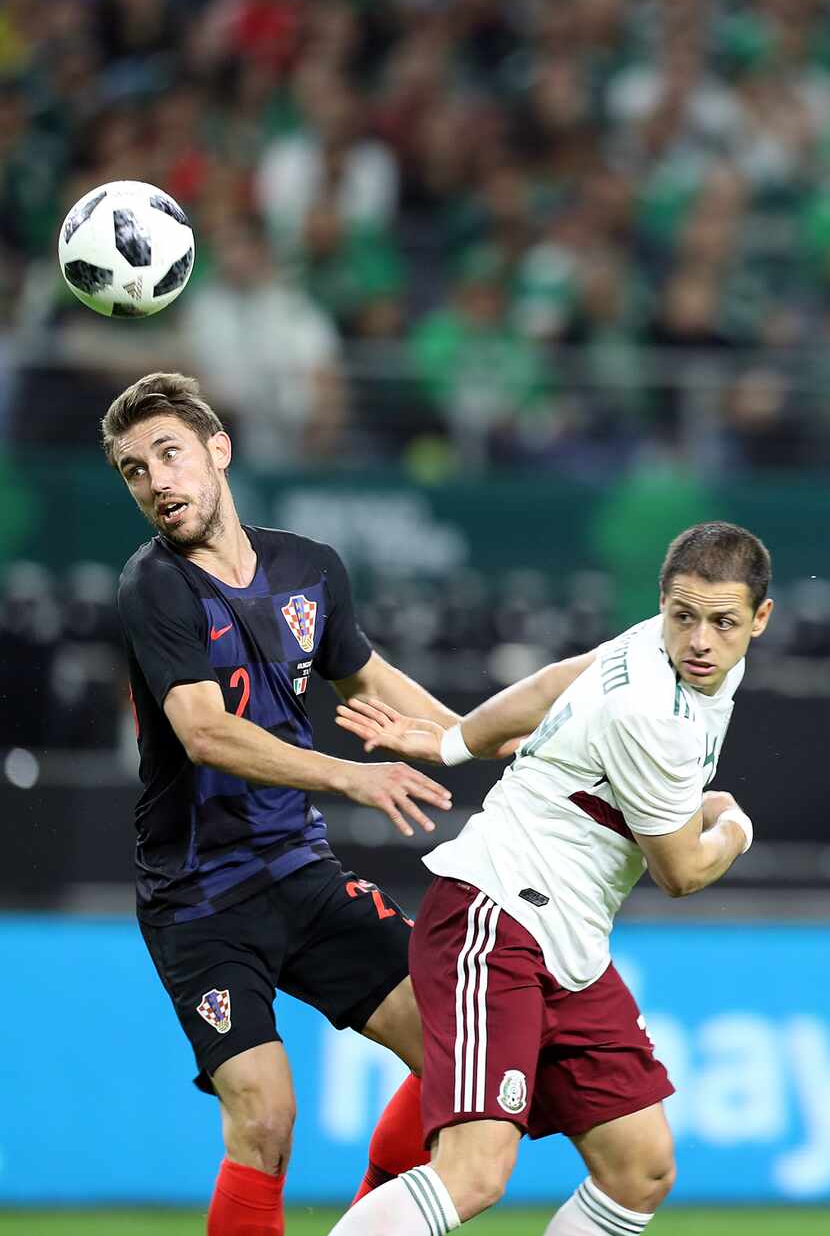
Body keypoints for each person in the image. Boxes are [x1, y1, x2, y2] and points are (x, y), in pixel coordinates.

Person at [103, 370, 593, 1236]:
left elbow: (370, 678)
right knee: (266, 1118)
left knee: (457, 1053)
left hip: (302, 872)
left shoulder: (310, 569)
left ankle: (374, 1219)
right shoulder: (155, 586)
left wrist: (481, 739)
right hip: (200, 897)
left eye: (170, 454)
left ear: (219, 450)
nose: (157, 482)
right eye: (134, 470)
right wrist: (350, 775)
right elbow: (205, 733)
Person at [330, 521, 773, 1236]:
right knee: (474, 1171)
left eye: (722, 622)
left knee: (642, 1164)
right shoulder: (653, 715)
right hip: (495, 914)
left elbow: (558, 677)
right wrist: (734, 826)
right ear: (662, 601)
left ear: (760, 618)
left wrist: (451, 738)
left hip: (565, 941)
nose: (698, 640)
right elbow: (682, 870)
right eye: (683, 616)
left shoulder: (665, 653)